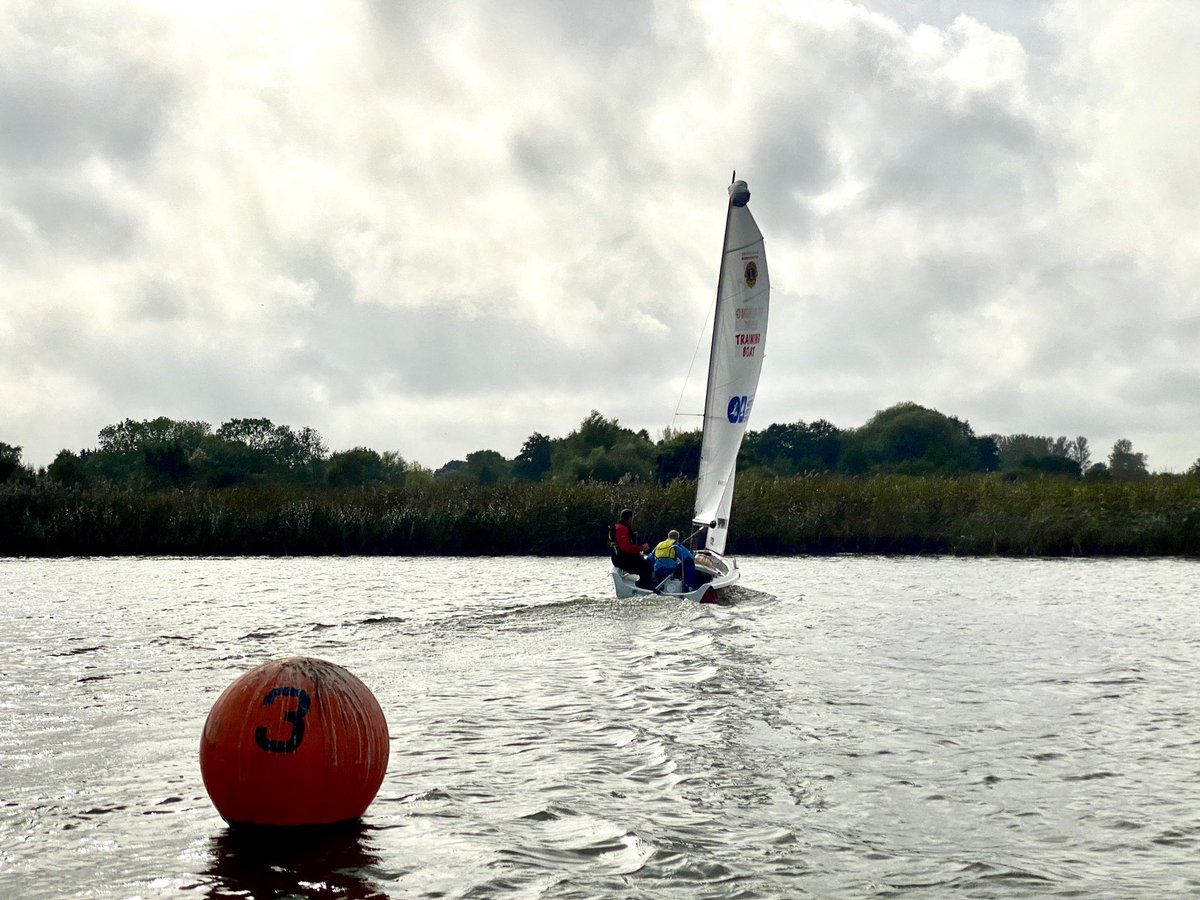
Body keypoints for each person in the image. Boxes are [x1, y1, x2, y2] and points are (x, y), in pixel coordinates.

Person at [608, 508, 652, 588]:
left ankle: (645, 584)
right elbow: (625, 547)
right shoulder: (621, 528)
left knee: (647, 563)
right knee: (647, 567)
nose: (632, 520)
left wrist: (638, 554)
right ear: (629, 518)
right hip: (621, 559)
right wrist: (641, 548)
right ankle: (645, 587)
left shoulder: (620, 527)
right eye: (632, 518)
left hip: (622, 557)